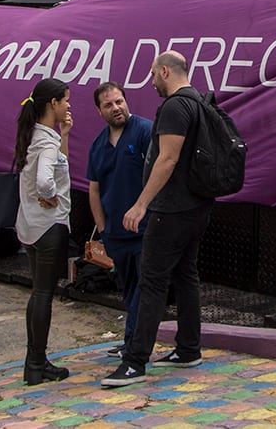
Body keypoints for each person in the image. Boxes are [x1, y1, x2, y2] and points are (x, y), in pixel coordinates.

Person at [102, 51, 212, 388]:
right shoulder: (200, 102)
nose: (151, 82)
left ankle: (135, 361)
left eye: (153, 75)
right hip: (196, 207)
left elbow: (166, 159)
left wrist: (141, 205)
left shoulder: (175, 106)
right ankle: (188, 348)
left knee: (151, 282)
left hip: (171, 209)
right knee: (186, 276)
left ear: (165, 71)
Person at [14, 79, 73, 386]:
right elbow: (44, 180)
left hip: (30, 226)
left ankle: (33, 361)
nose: (68, 106)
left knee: (38, 293)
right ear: (52, 104)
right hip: (50, 226)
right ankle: (37, 362)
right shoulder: (46, 143)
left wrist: (64, 135)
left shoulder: (35, 136)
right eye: (65, 101)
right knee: (44, 295)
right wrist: (48, 193)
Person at [87, 82, 153, 354]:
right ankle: (130, 341)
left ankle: (134, 345)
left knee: (144, 288)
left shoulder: (145, 132)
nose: (116, 108)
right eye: (108, 105)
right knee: (128, 290)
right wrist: (103, 229)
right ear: (99, 111)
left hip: (145, 229)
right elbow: (94, 187)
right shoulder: (98, 145)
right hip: (115, 234)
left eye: (119, 102)